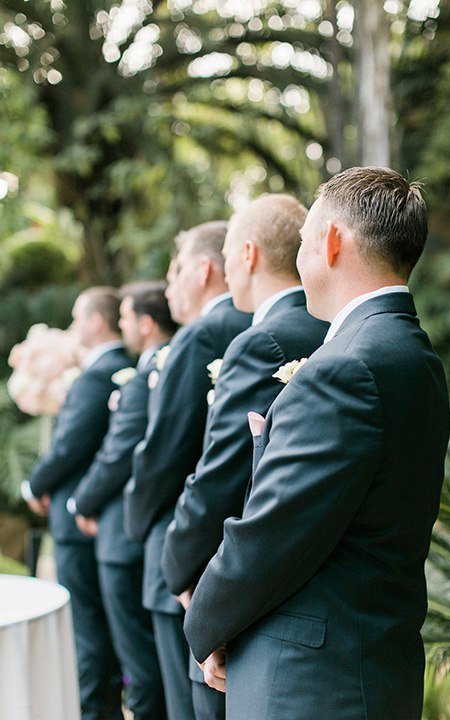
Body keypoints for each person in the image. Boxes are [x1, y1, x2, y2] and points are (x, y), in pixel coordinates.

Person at [184, 167, 450, 720]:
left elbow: (272, 531)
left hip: (309, 683)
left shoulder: (345, 368)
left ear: (330, 242)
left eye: (304, 241)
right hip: (374, 662)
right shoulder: (414, 355)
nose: (301, 256)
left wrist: (205, 624)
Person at [161, 193, 329, 719]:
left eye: (229, 253)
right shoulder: (334, 327)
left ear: (249, 254)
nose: (226, 267)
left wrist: (176, 571)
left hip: (232, 590)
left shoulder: (263, 341)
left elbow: (219, 476)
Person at [123, 221, 252, 720]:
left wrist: (138, 526)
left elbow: (163, 452)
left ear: (204, 270)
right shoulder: (259, 323)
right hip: (243, 551)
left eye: (175, 271)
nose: (168, 286)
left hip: (182, 551)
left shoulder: (198, 337)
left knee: (188, 705)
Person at [68, 281, 178, 720]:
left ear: (146, 323)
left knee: (139, 661)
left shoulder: (145, 378)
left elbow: (119, 455)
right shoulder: (144, 371)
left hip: (122, 534)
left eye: (127, 317)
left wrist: (82, 503)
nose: (122, 325)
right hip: (139, 534)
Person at [25, 287, 132, 720]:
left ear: (95, 321)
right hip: (101, 517)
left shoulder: (96, 375)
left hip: (78, 517)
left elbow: (69, 445)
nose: (71, 326)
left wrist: (34, 487)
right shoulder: (124, 366)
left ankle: (95, 712)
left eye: (76, 317)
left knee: (87, 628)